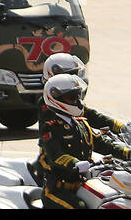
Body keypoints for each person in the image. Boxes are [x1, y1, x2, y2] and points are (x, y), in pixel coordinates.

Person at [36, 75, 131, 209]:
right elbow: (55, 154)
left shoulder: (81, 124)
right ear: (55, 98)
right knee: (80, 207)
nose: (76, 101)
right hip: (57, 190)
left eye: (77, 97)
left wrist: (127, 153)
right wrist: (76, 164)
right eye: (71, 97)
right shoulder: (51, 127)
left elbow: (102, 144)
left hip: (81, 184)